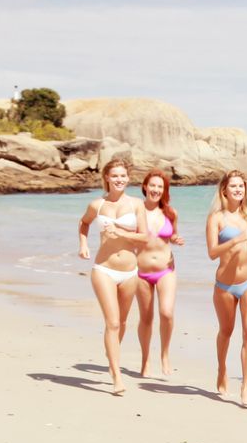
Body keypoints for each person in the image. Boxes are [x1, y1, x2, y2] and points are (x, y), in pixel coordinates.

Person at [77, 158, 148, 395]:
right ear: (107, 177)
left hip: (130, 271)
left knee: (123, 322)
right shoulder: (97, 205)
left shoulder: (137, 204)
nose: (119, 179)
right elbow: (84, 223)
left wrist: (119, 231)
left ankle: (112, 357)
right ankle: (116, 374)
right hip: (104, 269)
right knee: (113, 322)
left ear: (128, 178)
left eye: (123, 176)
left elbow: (144, 238)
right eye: (114, 175)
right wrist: (83, 244)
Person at [206, 170, 247, 407]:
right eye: (233, 186)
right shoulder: (216, 218)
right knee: (226, 331)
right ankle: (222, 368)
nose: (238, 190)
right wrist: (234, 240)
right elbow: (212, 252)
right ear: (224, 190)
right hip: (225, 285)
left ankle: (245, 387)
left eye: (241, 186)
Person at [135, 169, 185, 377]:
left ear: (164, 191)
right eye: (152, 185)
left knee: (166, 313)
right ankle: (145, 360)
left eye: (160, 187)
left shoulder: (170, 213)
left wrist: (176, 240)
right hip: (141, 272)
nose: (155, 190)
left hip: (166, 270)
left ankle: (164, 354)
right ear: (145, 187)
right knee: (146, 318)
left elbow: (172, 235)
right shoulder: (136, 211)